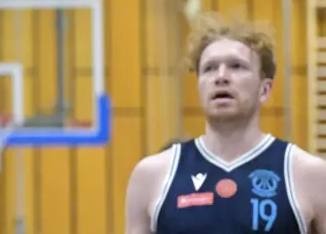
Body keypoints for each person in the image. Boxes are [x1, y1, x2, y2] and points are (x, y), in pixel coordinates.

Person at [122, 17, 325, 233]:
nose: (221, 77)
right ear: (199, 86)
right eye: (209, 68)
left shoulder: (308, 174)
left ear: (264, 90)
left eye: (237, 66)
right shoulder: (153, 174)